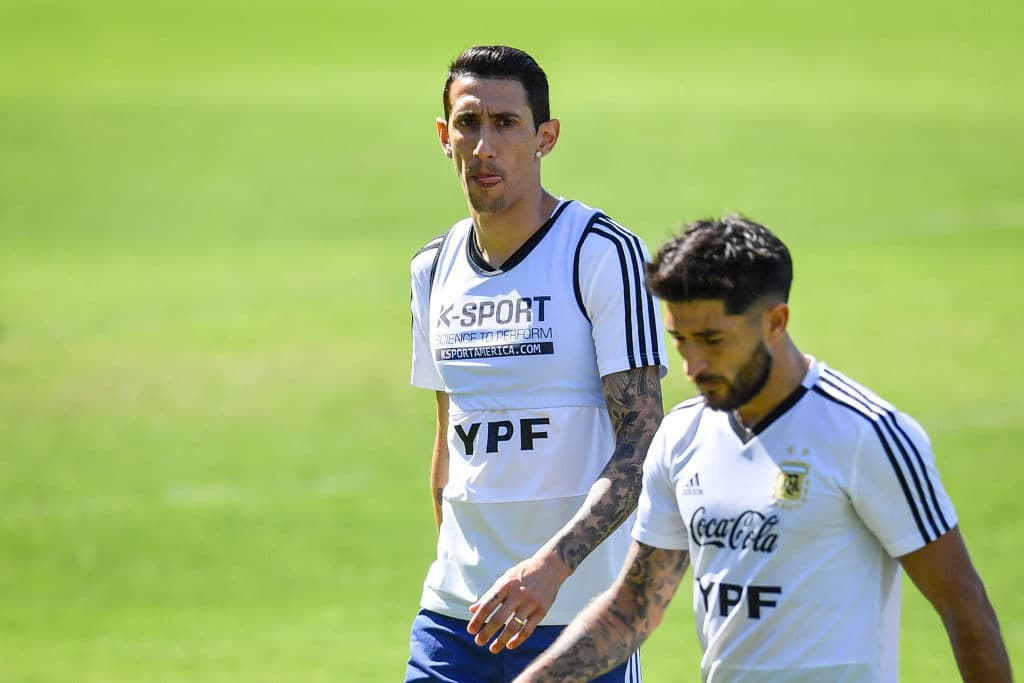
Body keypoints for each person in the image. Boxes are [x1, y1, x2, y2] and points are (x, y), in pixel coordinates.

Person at [515, 215, 1012, 682]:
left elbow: (964, 606)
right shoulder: (681, 434)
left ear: (776, 321)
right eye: (681, 340)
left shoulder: (867, 433)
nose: (692, 365)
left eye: (713, 340)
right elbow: (631, 609)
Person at [404, 45, 667, 682]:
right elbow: (448, 436)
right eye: (468, 123)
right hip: (457, 619)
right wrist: (460, 571)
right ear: (443, 136)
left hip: (578, 620)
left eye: (506, 124)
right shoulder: (433, 268)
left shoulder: (601, 252)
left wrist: (552, 568)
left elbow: (643, 444)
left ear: (545, 136)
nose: (483, 146)